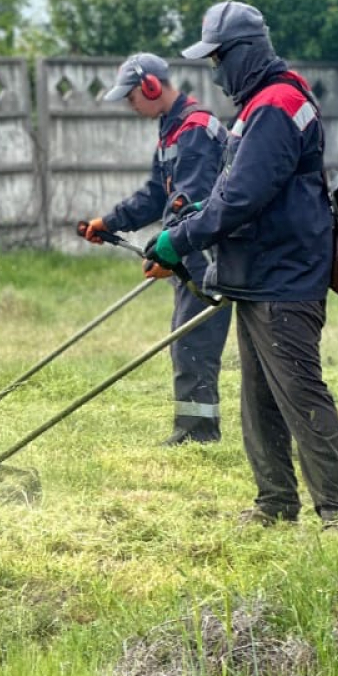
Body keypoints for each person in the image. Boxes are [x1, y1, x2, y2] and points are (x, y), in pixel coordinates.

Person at [143, 2, 338, 531]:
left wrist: (180, 240)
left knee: (299, 391)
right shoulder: (266, 103)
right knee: (260, 396)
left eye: (219, 59)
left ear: (244, 52)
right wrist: (195, 215)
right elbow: (236, 186)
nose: (216, 73)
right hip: (261, 272)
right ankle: (275, 503)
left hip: (284, 275)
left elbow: (242, 197)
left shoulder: (276, 105)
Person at [76, 52, 229, 445]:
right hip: (190, 250)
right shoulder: (173, 130)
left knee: (193, 343)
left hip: (207, 256)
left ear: (150, 86)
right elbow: (156, 195)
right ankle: (195, 431)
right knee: (186, 340)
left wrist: (169, 252)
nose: (130, 105)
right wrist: (109, 222)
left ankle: (198, 436)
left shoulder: (196, 130)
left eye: (131, 97)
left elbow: (193, 203)